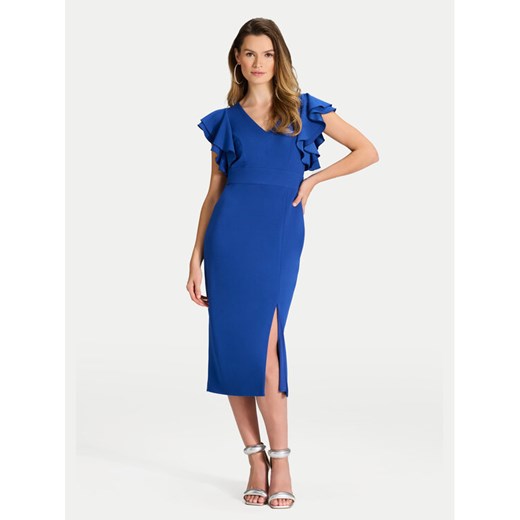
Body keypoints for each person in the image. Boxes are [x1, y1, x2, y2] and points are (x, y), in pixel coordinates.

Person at [187, 17, 379, 509]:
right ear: (237, 59)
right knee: (234, 349)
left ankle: (283, 460)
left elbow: (367, 151)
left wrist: (312, 181)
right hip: (228, 240)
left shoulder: (305, 110)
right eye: (250, 53)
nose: (258, 62)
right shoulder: (225, 122)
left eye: (267, 54)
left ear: (280, 59)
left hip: (277, 237)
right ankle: (255, 459)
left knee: (267, 350)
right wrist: (194, 258)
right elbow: (213, 195)